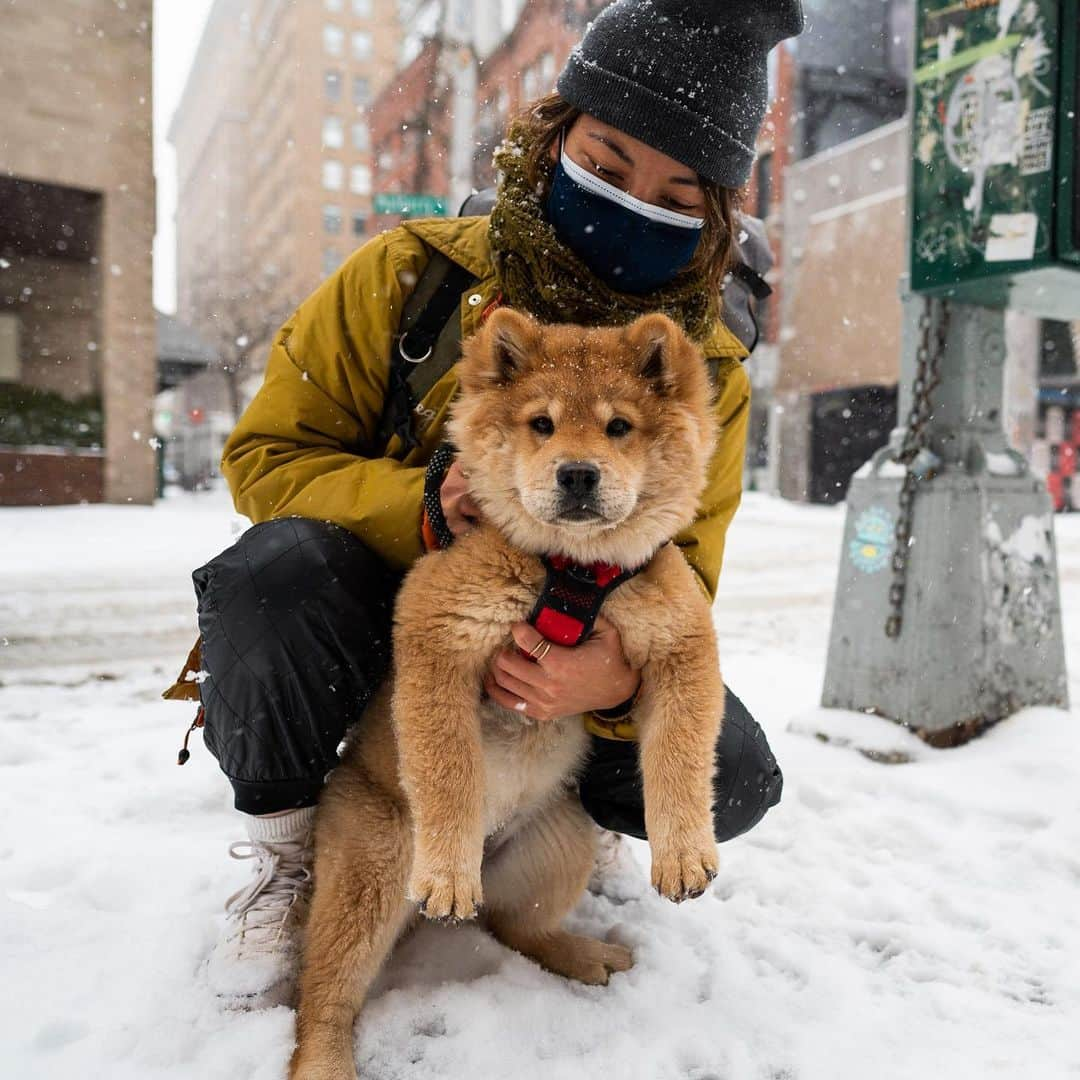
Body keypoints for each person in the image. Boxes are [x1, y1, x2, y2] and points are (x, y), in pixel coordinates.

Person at [166, 0, 804, 1007]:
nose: (636, 203)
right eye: (607, 161)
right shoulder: (411, 275)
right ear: (553, 139)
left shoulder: (704, 368)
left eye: (679, 191)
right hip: (388, 624)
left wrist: (605, 677)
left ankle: (558, 821)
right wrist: (419, 507)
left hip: (561, 652)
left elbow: (688, 582)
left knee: (732, 769)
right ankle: (289, 851)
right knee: (271, 580)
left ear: (719, 209)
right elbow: (268, 455)